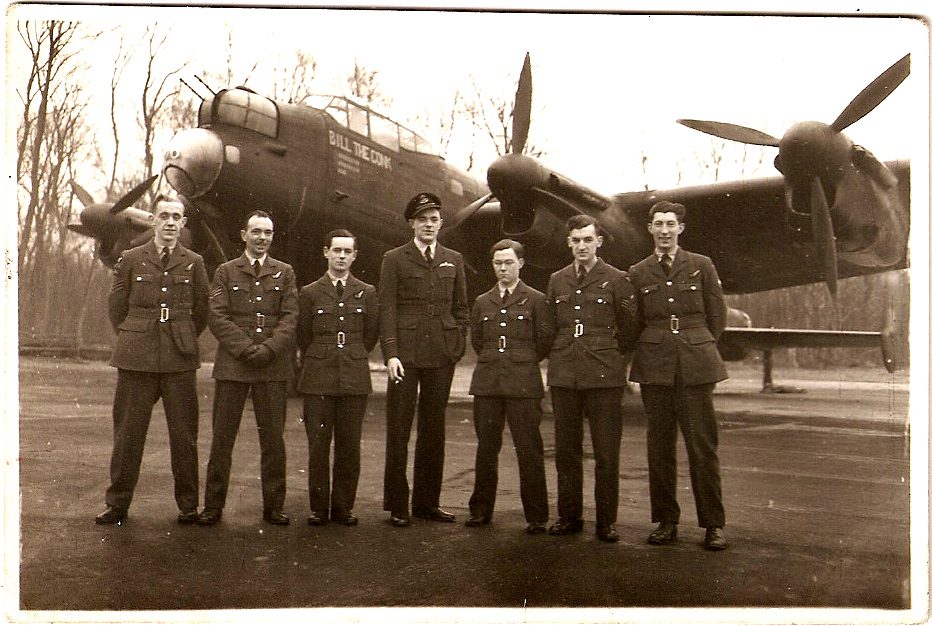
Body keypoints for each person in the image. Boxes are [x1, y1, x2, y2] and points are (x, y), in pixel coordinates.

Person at [95, 194, 210, 525]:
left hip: (178, 359)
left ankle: (188, 505)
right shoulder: (131, 258)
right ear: (154, 220)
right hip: (137, 358)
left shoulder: (194, 262)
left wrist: (181, 334)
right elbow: (117, 308)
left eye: (176, 217)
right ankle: (117, 504)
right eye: (164, 216)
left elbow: (201, 310)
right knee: (128, 435)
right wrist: (135, 334)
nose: (170, 222)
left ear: (183, 223)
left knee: (184, 437)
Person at [628, 200, 728, 551]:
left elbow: (717, 317)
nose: (665, 231)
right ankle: (666, 521)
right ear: (650, 229)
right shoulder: (638, 272)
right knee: (660, 449)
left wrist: (697, 345)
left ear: (681, 228)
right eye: (659, 224)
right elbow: (634, 322)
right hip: (655, 367)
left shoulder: (701, 265)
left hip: (695, 365)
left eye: (671, 224)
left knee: (702, 448)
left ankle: (713, 524)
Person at [198, 210, 298, 526]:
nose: (262, 238)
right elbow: (217, 317)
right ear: (244, 235)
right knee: (222, 440)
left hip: (272, 365)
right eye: (256, 232)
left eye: (267, 233)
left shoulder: (285, 273)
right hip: (233, 366)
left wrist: (268, 349)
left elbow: (290, 318)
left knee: (273, 441)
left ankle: (274, 506)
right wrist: (245, 348)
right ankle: (212, 506)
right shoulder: (226, 272)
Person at [545, 214, 638, 542]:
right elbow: (550, 326)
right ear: (568, 243)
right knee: (566, 452)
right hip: (565, 376)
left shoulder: (617, 279)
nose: (581, 246)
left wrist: (610, 357)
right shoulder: (557, 280)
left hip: (603, 377)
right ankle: (569, 517)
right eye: (576, 240)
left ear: (599, 241)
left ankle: (606, 521)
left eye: (587, 239)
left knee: (606, 453)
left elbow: (629, 329)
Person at [379, 192, 469, 527]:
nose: (428, 225)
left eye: (433, 219)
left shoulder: (453, 259)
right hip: (405, 356)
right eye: (422, 220)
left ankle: (427, 503)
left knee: (434, 431)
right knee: (399, 430)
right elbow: (387, 308)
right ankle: (397, 504)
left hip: (440, 355)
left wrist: (456, 344)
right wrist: (391, 354)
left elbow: (461, 307)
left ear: (440, 223)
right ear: (412, 224)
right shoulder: (394, 258)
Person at [464, 239, 553, 534]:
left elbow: (543, 341)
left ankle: (537, 516)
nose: (503, 268)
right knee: (486, 449)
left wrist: (520, 361)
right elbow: (478, 341)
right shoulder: (482, 301)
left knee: (528, 449)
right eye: (498, 263)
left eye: (508, 263)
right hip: (488, 383)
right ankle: (480, 511)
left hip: (523, 384)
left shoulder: (536, 300)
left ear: (521, 264)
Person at [296, 229, 379, 527]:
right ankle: (319, 508)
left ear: (355, 256)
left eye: (347, 252)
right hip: (318, 378)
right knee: (318, 447)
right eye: (337, 251)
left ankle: (343, 507)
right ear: (326, 253)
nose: (341, 256)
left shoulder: (367, 292)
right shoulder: (309, 293)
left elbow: (370, 335)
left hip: (353, 379)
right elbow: (304, 335)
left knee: (349, 446)